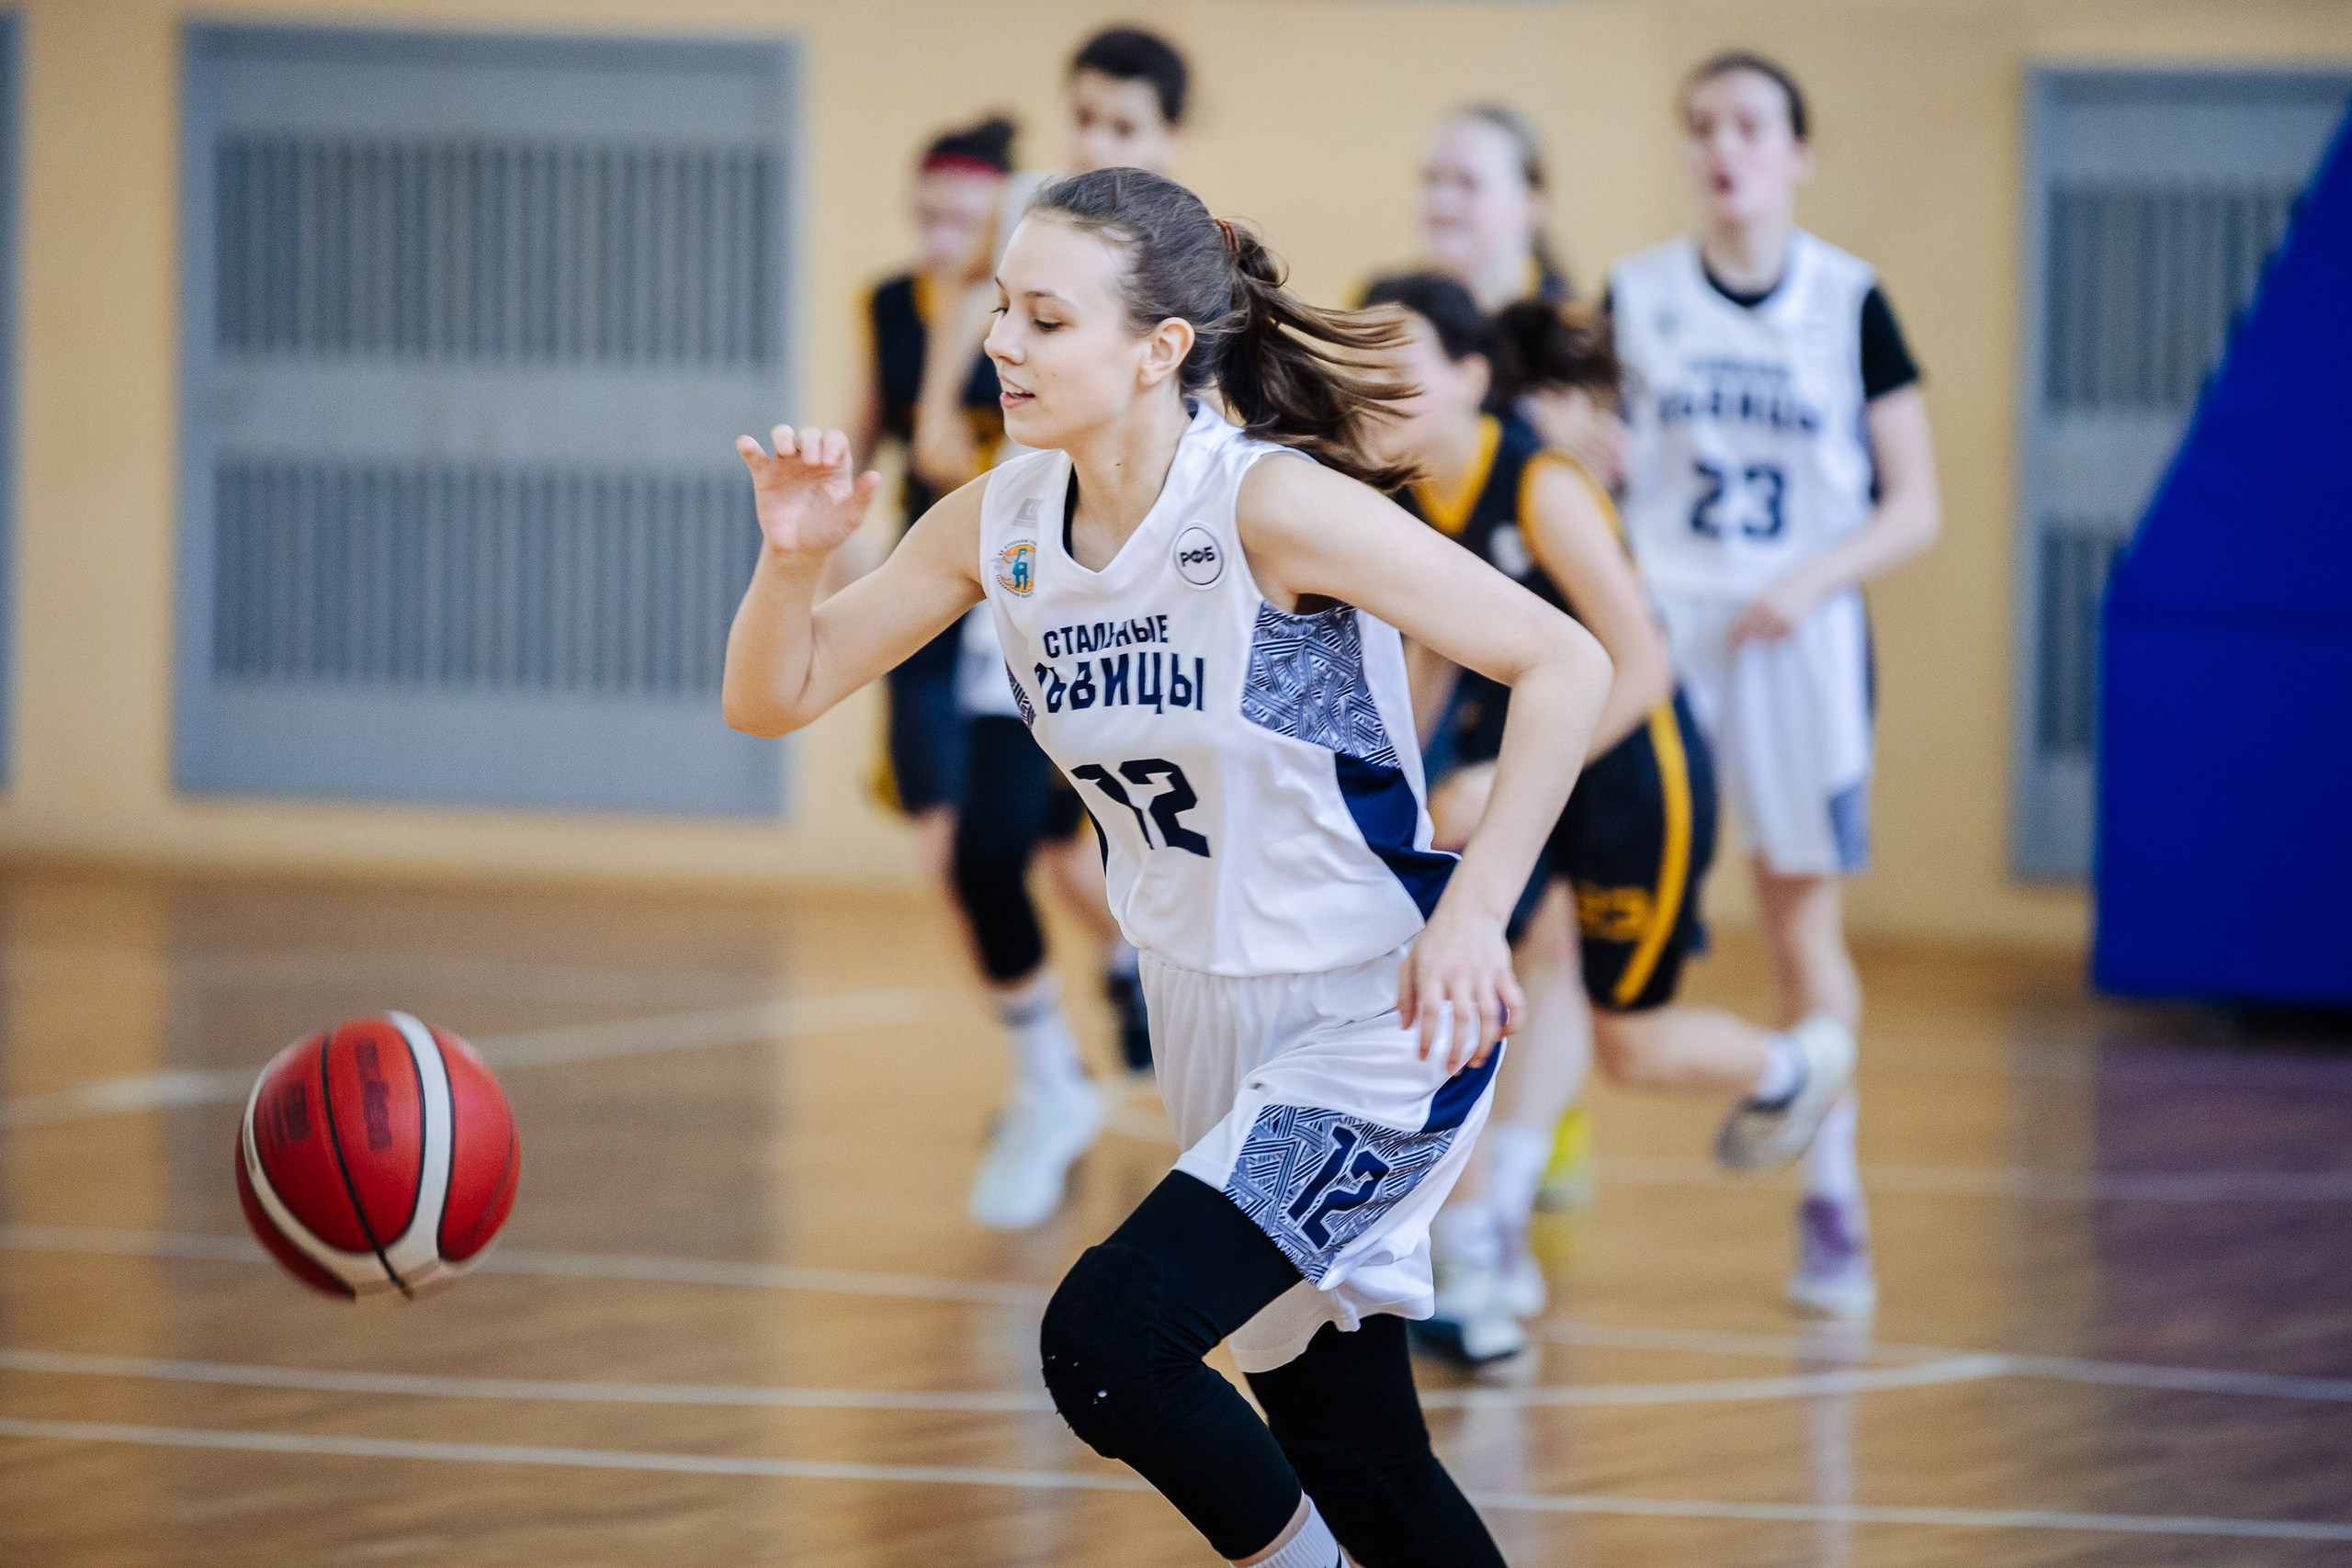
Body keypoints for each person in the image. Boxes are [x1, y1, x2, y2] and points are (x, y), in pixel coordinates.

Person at [724, 168, 1611, 1568]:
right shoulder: (997, 524)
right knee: (1359, 1453)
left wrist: (1478, 914)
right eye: (1003, 309)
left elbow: (1566, 659)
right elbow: (780, 694)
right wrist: (793, 564)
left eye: (1044, 317)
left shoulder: (1270, 508)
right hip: (1207, 1005)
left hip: (1375, 1013)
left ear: (1159, 350)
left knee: (1108, 1340)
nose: (1001, 341)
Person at [1365, 276, 1860, 1361]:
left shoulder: (1539, 483)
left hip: (1639, 768)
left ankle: (1792, 1068)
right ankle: (1478, 1245)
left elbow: (1638, 664)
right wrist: (1389, 785)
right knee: (1484, 971)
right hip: (1531, 766)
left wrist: (1502, 781)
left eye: (1400, 357)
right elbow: (1433, 654)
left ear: (1470, 375)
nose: (1377, 380)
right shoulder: (1403, 496)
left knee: (1628, 1044)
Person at [1608, 51, 1942, 1317]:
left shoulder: (1850, 301)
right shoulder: (1634, 296)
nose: (1722, 146)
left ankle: (1834, 1192)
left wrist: (1811, 578)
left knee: (1799, 917)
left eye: (1749, 124)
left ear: (1799, 150)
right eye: (1700, 125)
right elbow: (1596, 465)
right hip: (1666, 624)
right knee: (1595, 894)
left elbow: (1917, 504)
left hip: (1797, 634)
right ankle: (1522, 1179)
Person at [844, 114, 1114, 1232]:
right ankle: (1047, 1071)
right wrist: (838, 558)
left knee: (1045, 849)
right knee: (959, 852)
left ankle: (1120, 1004)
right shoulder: (918, 312)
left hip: (1060, 600)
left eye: (970, 216)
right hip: (949, 588)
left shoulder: (1073, 316)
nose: (943, 233)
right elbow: (931, 449)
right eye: (933, 216)